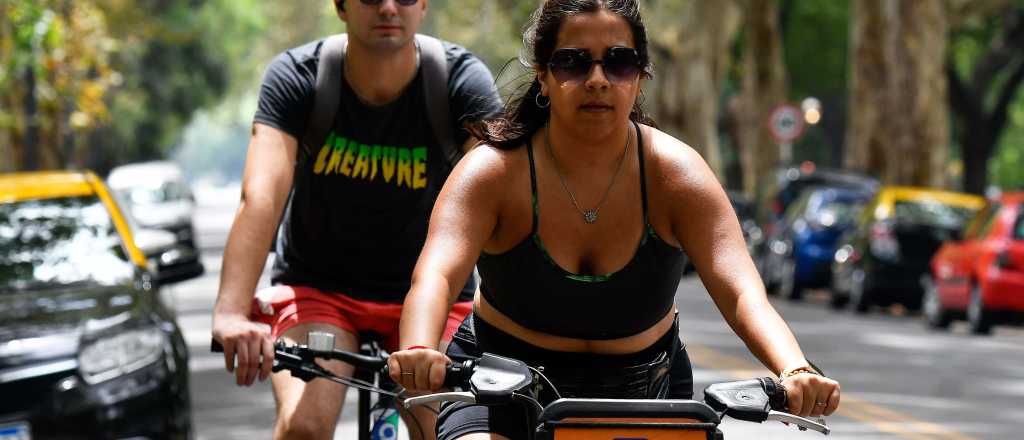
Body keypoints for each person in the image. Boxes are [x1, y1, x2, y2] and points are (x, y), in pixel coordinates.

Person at [385, 1, 842, 439]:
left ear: (640, 77)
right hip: (499, 387)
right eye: (574, 62)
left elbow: (743, 292)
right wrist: (421, 349)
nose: (598, 79)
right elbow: (436, 278)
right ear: (542, 76)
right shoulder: (493, 172)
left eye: (619, 62)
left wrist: (795, 369)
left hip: (647, 392)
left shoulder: (677, 174)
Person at [210, 0, 502, 439]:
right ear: (341, 7)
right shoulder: (298, 76)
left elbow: (497, 199)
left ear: (422, 5)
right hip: (319, 291)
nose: (387, 7)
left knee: (448, 430)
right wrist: (232, 312)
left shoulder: (460, 80)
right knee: (303, 428)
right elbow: (262, 196)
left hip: (431, 297)